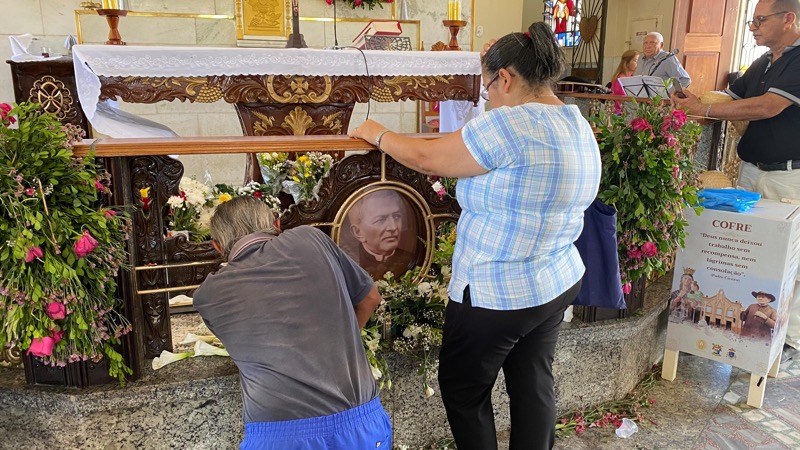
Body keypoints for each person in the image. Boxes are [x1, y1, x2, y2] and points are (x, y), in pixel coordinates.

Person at [350, 21, 602, 450]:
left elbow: (427, 156)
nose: (488, 99)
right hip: (553, 280)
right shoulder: (575, 121)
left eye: (488, 88)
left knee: (464, 390)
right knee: (533, 379)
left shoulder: (510, 125)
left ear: (506, 78)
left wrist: (377, 133)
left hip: (496, 292)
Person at [192, 196, 391, 449]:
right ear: (276, 224)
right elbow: (370, 298)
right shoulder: (310, 238)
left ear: (217, 246)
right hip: (359, 421)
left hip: (278, 434)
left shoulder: (207, 295)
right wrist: (341, 342)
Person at [672, 0, 800, 349]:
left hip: (787, 177)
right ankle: (740, 339)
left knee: (789, 260)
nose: (754, 27)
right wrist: (689, 99)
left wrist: (707, 107)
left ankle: (789, 343)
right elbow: (728, 97)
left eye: (760, 20)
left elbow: (767, 106)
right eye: (751, 22)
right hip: (750, 173)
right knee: (751, 256)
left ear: (788, 18)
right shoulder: (763, 62)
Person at [348, 190, 414, 279]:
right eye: (381, 220)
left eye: (396, 216)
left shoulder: (412, 260)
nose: (393, 227)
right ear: (358, 232)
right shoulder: (349, 265)